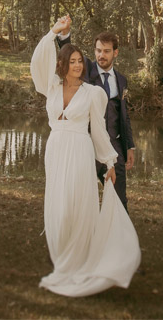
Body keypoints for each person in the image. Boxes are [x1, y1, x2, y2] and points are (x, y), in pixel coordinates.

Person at [30, 16, 141, 297]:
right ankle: (63, 259)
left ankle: (99, 254)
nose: (79, 65)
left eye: (81, 61)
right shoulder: (53, 87)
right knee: (61, 205)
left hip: (85, 149)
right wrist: (55, 32)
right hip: (57, 151)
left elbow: (107, 127)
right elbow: (42, 62)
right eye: (74, 61)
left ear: (115, 53)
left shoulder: (99, 89)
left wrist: (112, 158)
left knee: (85, 205)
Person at [57, 15, 135, 211]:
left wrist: (129, 146)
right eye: (98, 50)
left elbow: (124, 116)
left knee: (119, 201)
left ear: (115, 53)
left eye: (107, 51)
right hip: (86, 146)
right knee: (82, 201)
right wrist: (65, 33)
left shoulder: (121, 80)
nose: (102, 55)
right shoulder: (85, 71)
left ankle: (117, 239)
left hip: (114, 147)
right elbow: (68, 54)